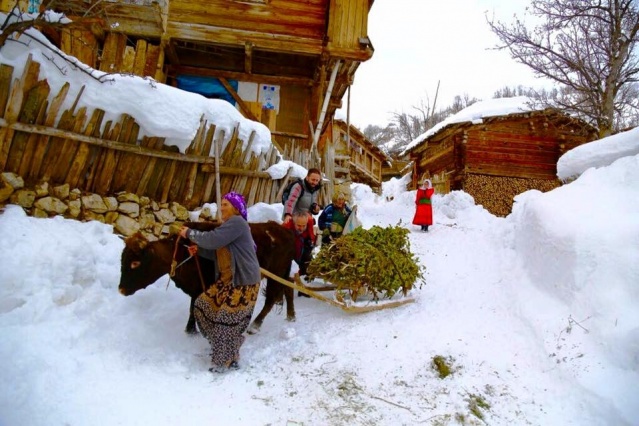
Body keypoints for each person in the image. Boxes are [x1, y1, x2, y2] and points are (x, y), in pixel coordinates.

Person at [178, 192, 261, 373]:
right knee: (202, 307)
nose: (222, 207)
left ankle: (225, 362)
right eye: (221, 204)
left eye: (226, 204)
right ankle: (223, 348)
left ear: (236, 208)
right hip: (227, 281)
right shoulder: (228, 226)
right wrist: (199, 250)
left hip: (243, 283)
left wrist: (189, 233)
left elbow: (213, 239)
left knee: (226, 321)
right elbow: (218, 250)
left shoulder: (237, 222)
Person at [283, 210, 316, 298]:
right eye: (298, 225)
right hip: (289, 247)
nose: (301, 228)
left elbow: (311, 236)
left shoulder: (309, 223)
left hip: (302, 246)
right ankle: (283, 289)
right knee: (287, 268)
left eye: (303, 226)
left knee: (307, 264)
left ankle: (303, 288)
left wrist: (309, 242)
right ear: (294, 223)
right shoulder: (286, 226)